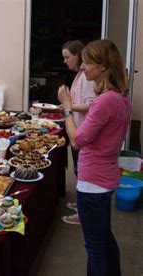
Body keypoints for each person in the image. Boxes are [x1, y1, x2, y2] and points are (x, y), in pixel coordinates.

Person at [58, 39, 132, 276]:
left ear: (102, 66)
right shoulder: (122, 98)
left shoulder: (105, 101)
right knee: (105, 238)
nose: (83, 67)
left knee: (95, 247)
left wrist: (67, 107)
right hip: (106, 177)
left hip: (93, 183)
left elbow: (76, 140)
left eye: (87, 63)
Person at [58, 40, 96, 226]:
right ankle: (82, 206)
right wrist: (66, 103)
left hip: (81, 131)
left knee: (82, 172)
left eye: (67, 57)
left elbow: (90, 105)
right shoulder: (79, 75)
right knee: (78, 170)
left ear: (78, 56)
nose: (65, 61)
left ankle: (83, 214)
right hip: (77, 129)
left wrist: (68, 106)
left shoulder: (86, 77)